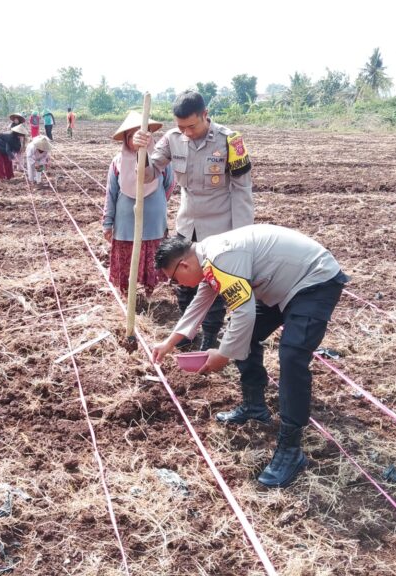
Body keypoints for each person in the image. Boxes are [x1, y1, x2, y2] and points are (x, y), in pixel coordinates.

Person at [151, 225, 350, 488]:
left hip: (314, 281)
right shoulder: (208, 257)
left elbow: (243, 313)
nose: (177, 285)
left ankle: (291, 450)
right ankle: (255, 407)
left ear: (185, 266)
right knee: (245, 335)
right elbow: (203, 300)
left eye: (174, 279)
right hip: (283, 286)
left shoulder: (220, 257)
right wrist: (170, 342)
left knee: (291, 357)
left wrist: (223, 355)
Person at [133, 90, 253, 352]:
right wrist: (140, 149)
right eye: (181, 127)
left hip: (221, 226)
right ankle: (187, 335)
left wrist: (243, 235)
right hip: (188, 224)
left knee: (215, 284)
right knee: (182, 279)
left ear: (205, 115)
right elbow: (148, 174)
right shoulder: (172, 139)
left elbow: (242, 189)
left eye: (192, 126)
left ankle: (210, 336)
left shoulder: (230, 140)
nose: (186, 132)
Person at [103, 111, 175, 298]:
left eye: (142, 134)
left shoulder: (161, 161)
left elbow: (169, 186)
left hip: (153, 223)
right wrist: (107, 223)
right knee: (127, 262)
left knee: (152, 259)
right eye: (132, 135)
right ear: (126, 140)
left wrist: (156, 203)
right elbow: (111, 193)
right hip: (126, 224)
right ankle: (128, 296)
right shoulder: (117, 163)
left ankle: (150, 295)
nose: (137, 139)